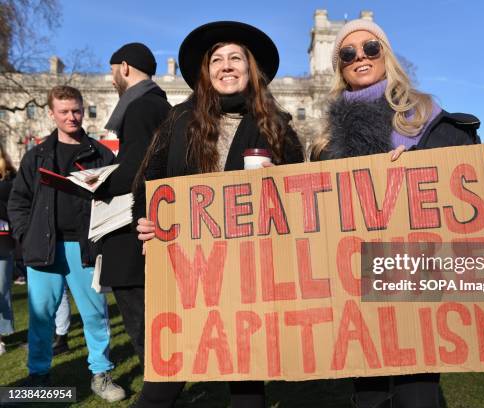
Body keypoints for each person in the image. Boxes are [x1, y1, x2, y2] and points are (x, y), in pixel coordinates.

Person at [311, 18, 481, 408]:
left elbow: (461, 184)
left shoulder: (423, 114)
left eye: (370, 48)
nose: (360, 58)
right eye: (347, 53)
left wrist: (418, 163)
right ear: (339, 64)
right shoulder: (326, 136)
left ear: (386, 54)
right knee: (368, 392)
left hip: (414, 271)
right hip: (351, 275)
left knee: (416, 390)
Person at [133, 21, 303, 408]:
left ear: (251, 69)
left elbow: (300, 197)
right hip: (184, 271)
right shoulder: (178, 120)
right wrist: (144, 221)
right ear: (207, 73)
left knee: (246, 382)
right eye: (217, 60)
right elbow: (149, 181)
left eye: (235, 59)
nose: (226, 67)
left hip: (249, 274)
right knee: (164, 381)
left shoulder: (277, 128)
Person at [7, 85, 126, 402]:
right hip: (43, 249)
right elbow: (18, 201)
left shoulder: (101, 154)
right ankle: (39, 376)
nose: (72, 117)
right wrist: (24, 234)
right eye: (64, 111)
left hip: (85, 248)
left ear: (83, 109)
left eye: (76, 110)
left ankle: (101, 374)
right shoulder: (37, 156)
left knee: (94, 314)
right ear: (51, 114)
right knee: (41, 315)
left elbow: (117, 200)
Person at [93, 42, 170, 368]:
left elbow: (137, 167)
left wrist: (94, 183)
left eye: (113, 71)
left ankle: (157, 390)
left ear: (124, 67)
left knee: (139, 321)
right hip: (153, 217)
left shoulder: (138, 108)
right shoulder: (160, 105)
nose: (112, 79)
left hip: (130, 227)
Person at [0, 144, 16, 356]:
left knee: (2, 290)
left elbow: (14, 209)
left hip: (3, 242)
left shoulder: (9, 180)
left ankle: (1, 337)